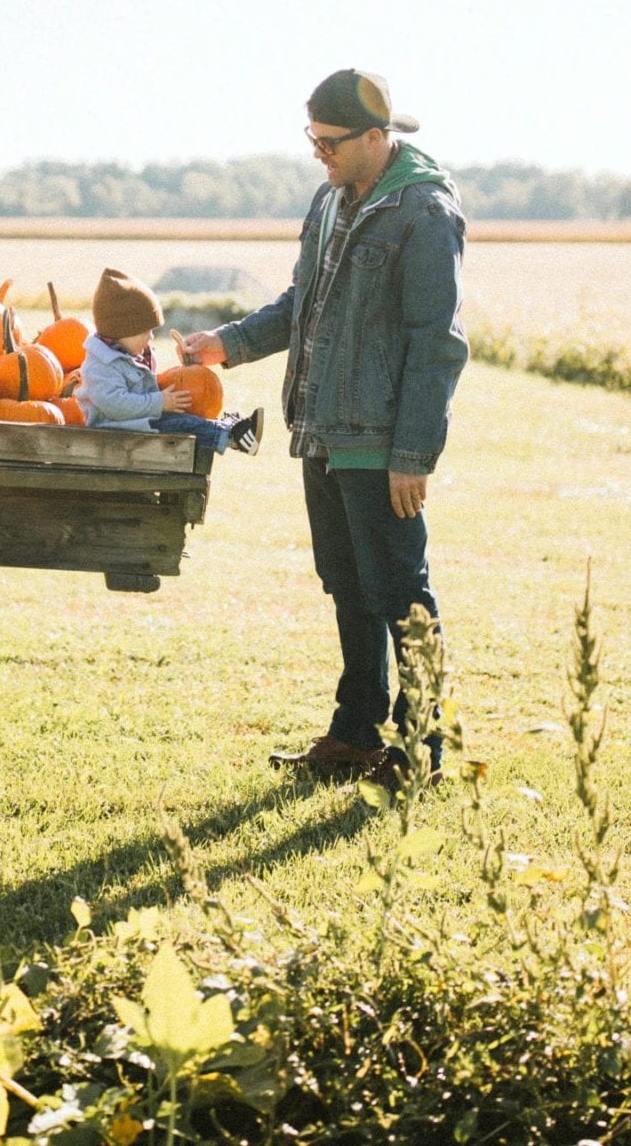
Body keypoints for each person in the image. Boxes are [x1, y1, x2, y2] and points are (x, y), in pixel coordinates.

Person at [179, 69, 467, 785]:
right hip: (320, 429)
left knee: (400, 592)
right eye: (311, 139)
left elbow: (437, 344)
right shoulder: (331, 199)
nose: (318, 154)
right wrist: (230, 343)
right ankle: (356, 733)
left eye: (329, 141)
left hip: (380, 442)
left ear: (377, 138)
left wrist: (413, 453)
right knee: (345, 582)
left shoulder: (425, 215)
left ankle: (420, 751)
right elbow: (302, 302)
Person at [76, 267, 265, 454]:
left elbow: (147, 389)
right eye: (144, 332)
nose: (150, 337)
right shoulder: (100, 366)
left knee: (183, 419)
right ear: (121, 332)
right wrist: (159, 403)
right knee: (181, 424)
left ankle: (227, 428)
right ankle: (232, 436)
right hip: (116, 432)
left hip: (140, 422)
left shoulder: (133, 353)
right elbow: (115, 404)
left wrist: (186, 374)